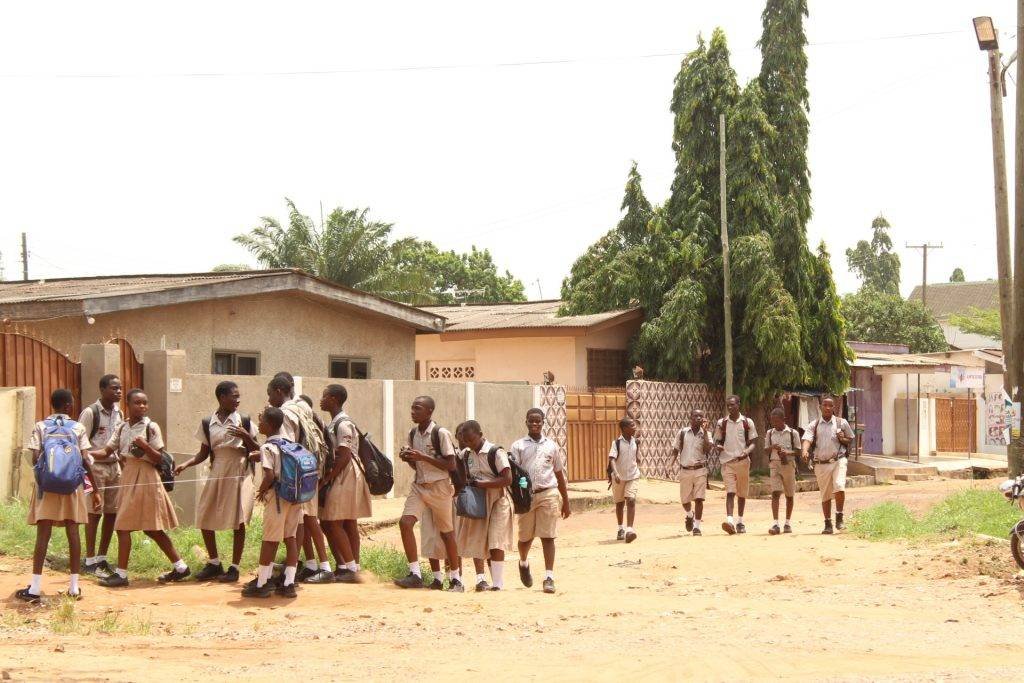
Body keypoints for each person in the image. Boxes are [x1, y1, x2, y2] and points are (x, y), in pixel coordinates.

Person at [95, 390, 189, 587]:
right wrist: (85, 453)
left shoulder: (151, 427)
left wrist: (145, 447)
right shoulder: (121, 427)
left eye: (145, 403)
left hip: (147, 478)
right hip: (128, 476)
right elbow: (107, 450)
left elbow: (159, 458)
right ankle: (181, 567)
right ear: (128, 404)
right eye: (137, 403)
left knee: (132, 527)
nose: (142, 406)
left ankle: (121, 575)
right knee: (147, 529)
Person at [16, 389, 103, 602]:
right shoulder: (78, 428)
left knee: (43, 534)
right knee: (73, 533)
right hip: (72, 488)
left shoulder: (41, 426)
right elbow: (84, 460)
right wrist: (96, 490)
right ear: (69, 406)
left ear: (52, 404)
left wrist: (45, 476)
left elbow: (35, 457)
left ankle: (35, 588)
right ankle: (74, 587)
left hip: (47, 488)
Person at [174, 380, 258, 583]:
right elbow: (204, 453)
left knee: (238, 521)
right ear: (221, 397)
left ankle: (235, 567)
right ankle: (214, 563)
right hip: (217, 469)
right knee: (204, 514)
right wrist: (185, 464)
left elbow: (257, 448)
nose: (237, 400)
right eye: (234, 396)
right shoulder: (207, 422)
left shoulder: (244, 420)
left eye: (239, 396)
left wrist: (246, 436)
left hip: (238, 471)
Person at [266, 375, 334, 584]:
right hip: (310, 467)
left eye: (270, 395)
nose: (269, 401)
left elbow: (285, 446)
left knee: (307, 518)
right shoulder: (302, 405)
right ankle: (310, 564)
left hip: (295, 473)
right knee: (304, 519)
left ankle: (324, 566)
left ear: (279, 391)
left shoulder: (286, 412)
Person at [393, 396, 463, 592]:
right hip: (420, 486)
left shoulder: (441, 433)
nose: (413, 412)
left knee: (447, 534)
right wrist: (407, 458)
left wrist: (422, 456)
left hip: (440, 487)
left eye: (417, 408)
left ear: (429, 411)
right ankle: (415, 573)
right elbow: (417, 464)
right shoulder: (413, 433)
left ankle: (456, 579)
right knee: (405, 522)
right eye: (412, 408)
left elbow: (450, 464)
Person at [509, 408, 570, 594]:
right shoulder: (518, 446)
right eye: (531, 421)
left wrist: (565, 500)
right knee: (525, 537)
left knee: (548, 536)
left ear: (544, 423)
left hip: (548, 493)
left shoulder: (551, 446)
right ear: (526, 422)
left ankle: (549, 577)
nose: (535, 424)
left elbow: (559, 474)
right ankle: (523, 562)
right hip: (526, 497)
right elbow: (514, 473)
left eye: (538, 421)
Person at [242, 407, 300, 598]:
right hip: (295, 497)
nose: (259, 424)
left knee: (269, 540)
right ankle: (289, 583)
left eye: (262, 421)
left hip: (277, 497)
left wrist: (261, 491)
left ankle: (262, 584)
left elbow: (269, 474)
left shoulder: (267, 447)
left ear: (269, 425)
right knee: (290, 538)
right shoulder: (290, 444)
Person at [318, 383, 372, 584]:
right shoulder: (334, 423)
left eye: (324, 396)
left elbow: (344, 455)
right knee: (348, 521)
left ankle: (350, 566)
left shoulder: (343, 424)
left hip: (346, 473)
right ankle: (348, 566)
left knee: (333, 520)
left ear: (333, 399)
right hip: (344, 472)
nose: (321, 400)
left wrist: (328, 478)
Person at [457, 421, 513, 591]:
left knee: (496, 540)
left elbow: (507, 479)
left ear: (481, 434)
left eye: (472, 440)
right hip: (478, 499)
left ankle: (497, 583)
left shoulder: (496, 452)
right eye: (466, 441)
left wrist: (483, 484)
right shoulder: (466, 454)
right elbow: (458, 470)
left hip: (499, 499)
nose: (469, 444)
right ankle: (481, 579)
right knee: (477, 538)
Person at [78, 374, 123, 579]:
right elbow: (81, 445)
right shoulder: (90, 412)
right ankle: (89, 559)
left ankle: (102, 556)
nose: (119, 392)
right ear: (102, 390)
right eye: (114, 388)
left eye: (120, 388)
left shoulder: (118, 413)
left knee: (112, 513)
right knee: (94, 513)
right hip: (94, 469)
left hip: (115, 467)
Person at [801, 397, 855, 535]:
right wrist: (805, 450)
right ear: (820, 407)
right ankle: (827, 523)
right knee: (825, 494)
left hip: (838, 460)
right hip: (821, 464)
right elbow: (807, 439)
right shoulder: (814, 424)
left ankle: (839, 517)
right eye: (824, 405)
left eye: (830, 405)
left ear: (833, 407)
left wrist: (843, 439)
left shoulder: (841, 423)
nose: (827, 408)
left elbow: (851, 438)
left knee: (839, 485)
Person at [421, 422, 465, 590]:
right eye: (459, 434)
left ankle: (455, 578)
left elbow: (461, 478)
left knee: (450, 538)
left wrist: (455, 492)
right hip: (432, 494)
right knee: (432, 537)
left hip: (449, 498)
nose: (462, 438)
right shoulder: (441, 452)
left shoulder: (458, 456)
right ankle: (437, 578)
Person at [713, 395, 757, 535]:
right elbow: (717, 441)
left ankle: (740, 521)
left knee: (742, 493)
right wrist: (718, 446)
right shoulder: (722, 423)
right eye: (728, 406)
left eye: (732, 405)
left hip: (743, 462)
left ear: (739, 404)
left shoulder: (747, 422)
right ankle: (730, 521)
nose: (730, 408)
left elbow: (753, 442)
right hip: (727, 462)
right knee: (730, 492)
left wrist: (747, 451)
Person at [672, 409, 712, 536]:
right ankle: (690, 515)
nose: (699, 418)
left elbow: (707, 449)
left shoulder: (707, 434)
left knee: (699, 499)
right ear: (690, 418)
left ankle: (697, 527)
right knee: (685, 501)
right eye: (696, 416)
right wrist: (670, 464)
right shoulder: (683, 432)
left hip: (700, 469)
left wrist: (705, 432)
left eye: (701, 416)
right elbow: (675, 449)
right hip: (685, 470)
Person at [765, 407, 801, 535]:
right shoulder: (770, 433)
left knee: (789, 495)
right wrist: (772, 447)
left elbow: (798, 451)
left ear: (783, 420)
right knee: (775, 493)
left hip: (788, 465)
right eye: (772, 422)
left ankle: (787, 522)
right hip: (774, 464)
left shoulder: (793, 433)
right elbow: (765, 450)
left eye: (777, 421)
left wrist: (788, 452)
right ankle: (775, 523)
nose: (775, 424)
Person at [608, 417, 640, 543]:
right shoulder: (616, 443)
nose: (635, 427)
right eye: (632, 425)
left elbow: (635, 456)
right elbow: (612, 459)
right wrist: (615, 473)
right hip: (619, 478)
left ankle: (630, 530)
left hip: (633, 476)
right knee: (620, 503)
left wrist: (637, 461)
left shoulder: (636, 441)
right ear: (624, 429)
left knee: (631, 500)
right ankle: (620, 528)